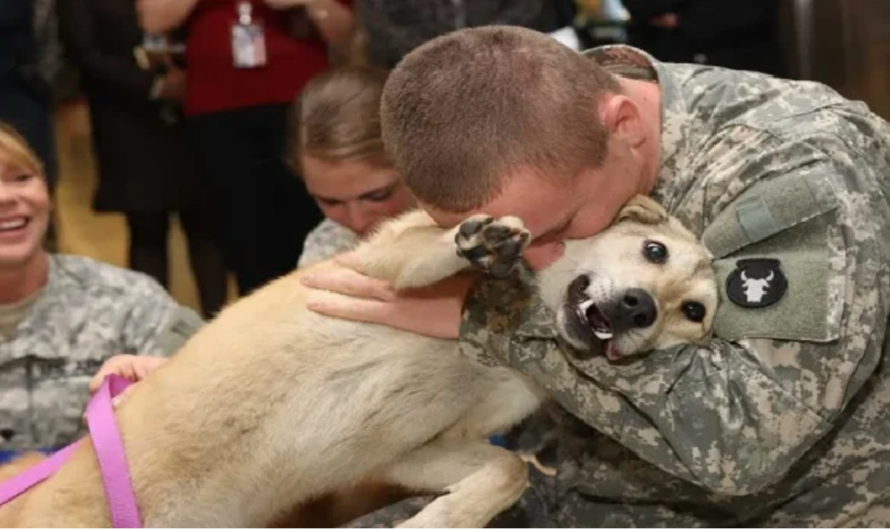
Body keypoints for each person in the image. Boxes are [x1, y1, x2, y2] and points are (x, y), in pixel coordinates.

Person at [300, 26, 890, 528]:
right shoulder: (530, 126)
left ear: (624, 123)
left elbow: (750, 441)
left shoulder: (800, 171)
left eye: (556, 228)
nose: (537, 258)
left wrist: (484, 319)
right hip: (574, 487)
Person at [0, 122, 203, 456]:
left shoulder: (129, 303)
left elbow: (222, 405)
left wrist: (166, 391)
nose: (9, 198)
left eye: (22, 178)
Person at [136, 0, 356, 297]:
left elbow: (342, 31)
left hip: (301, 100)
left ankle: (325, 308)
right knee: (242, 230)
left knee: (313, 220)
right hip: (217, 106)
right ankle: (259, 322)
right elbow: (153, 19)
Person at [56, 0, 229, 319]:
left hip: (196, 111)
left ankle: (219, 326)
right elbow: (84, 51)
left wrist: (192, 76)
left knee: (207, 227)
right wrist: (155, 85)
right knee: (147, 230)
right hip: (127, 120)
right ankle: (152, 327)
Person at [291, 64, 417, 268]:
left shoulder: (475, 229)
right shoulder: (328, 252)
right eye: (330, 202)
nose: (356, 222)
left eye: (377, 196)